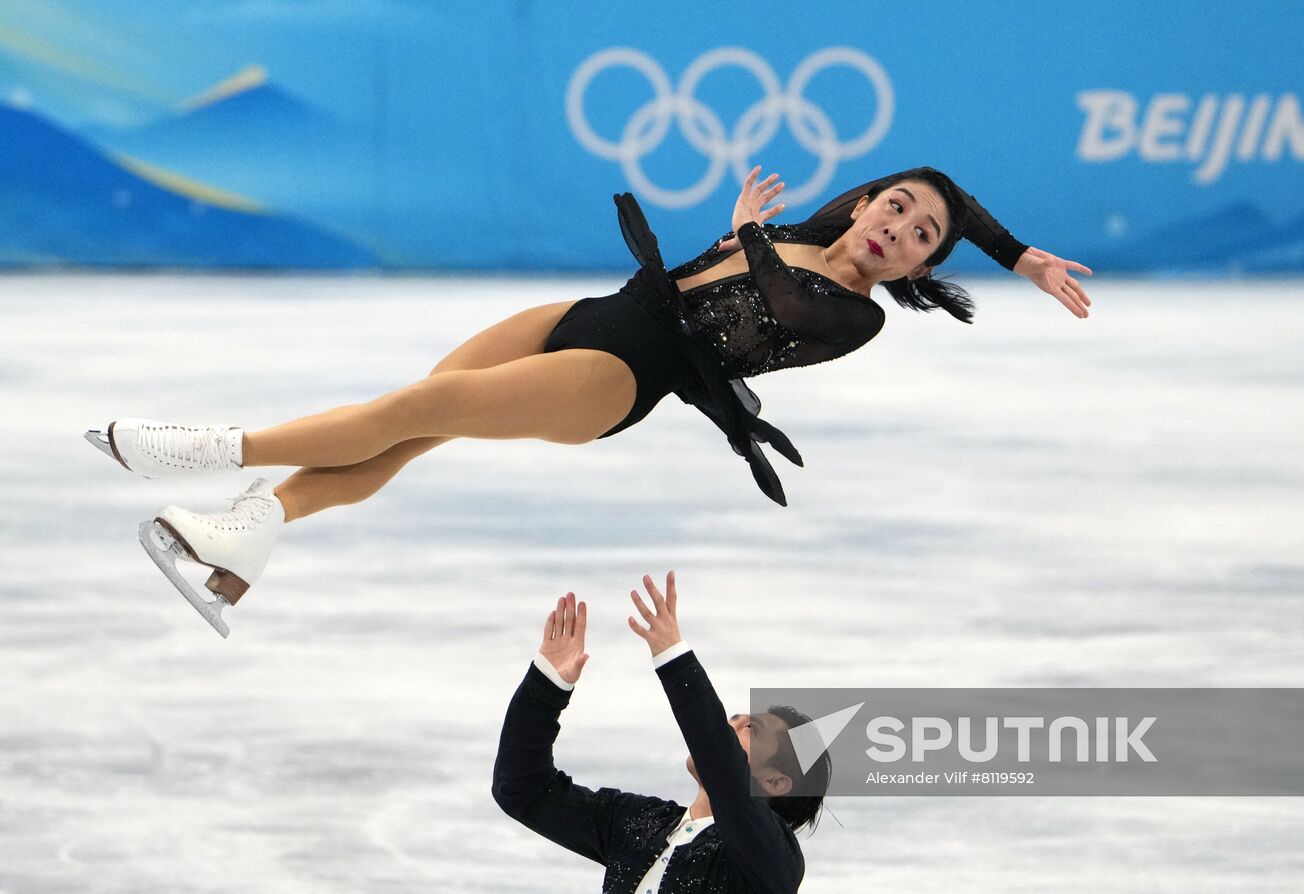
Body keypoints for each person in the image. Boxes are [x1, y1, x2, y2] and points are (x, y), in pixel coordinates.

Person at [87, 165, 1093, 631]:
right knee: (416, 417)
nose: (901, 229)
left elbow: (771, 310)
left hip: (617, 379)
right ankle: (252, 529)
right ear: (868, 197)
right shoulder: (799, 232)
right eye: (896, 207)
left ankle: (208, 451)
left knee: (397, 419)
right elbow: (946, 192)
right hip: (590, 314)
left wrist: (742, 232)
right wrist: (1015, 251)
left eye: (923, 236)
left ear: (918, 267)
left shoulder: (853, 312)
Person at [492, 572, 831, 894]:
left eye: (750, 730)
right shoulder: (638, 823)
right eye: (733, 719)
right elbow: (523, 788)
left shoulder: (772, 857)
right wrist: (547, 686)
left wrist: (674, 659)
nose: (729, 727)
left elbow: (726, 772)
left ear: (775, 781)